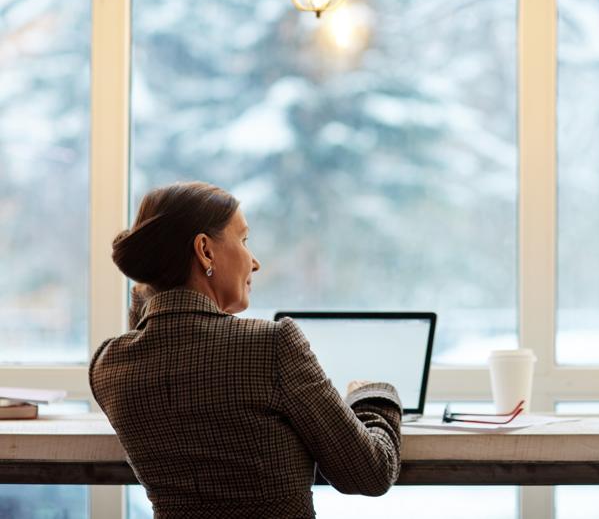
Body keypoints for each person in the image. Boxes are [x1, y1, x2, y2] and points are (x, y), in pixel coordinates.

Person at [89, 181, 402, 518]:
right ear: (205, 250)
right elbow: (370, 473)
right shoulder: (272, 344)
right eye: (243, 240)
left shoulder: (108, 365)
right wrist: (371, 397)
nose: (255, 263)